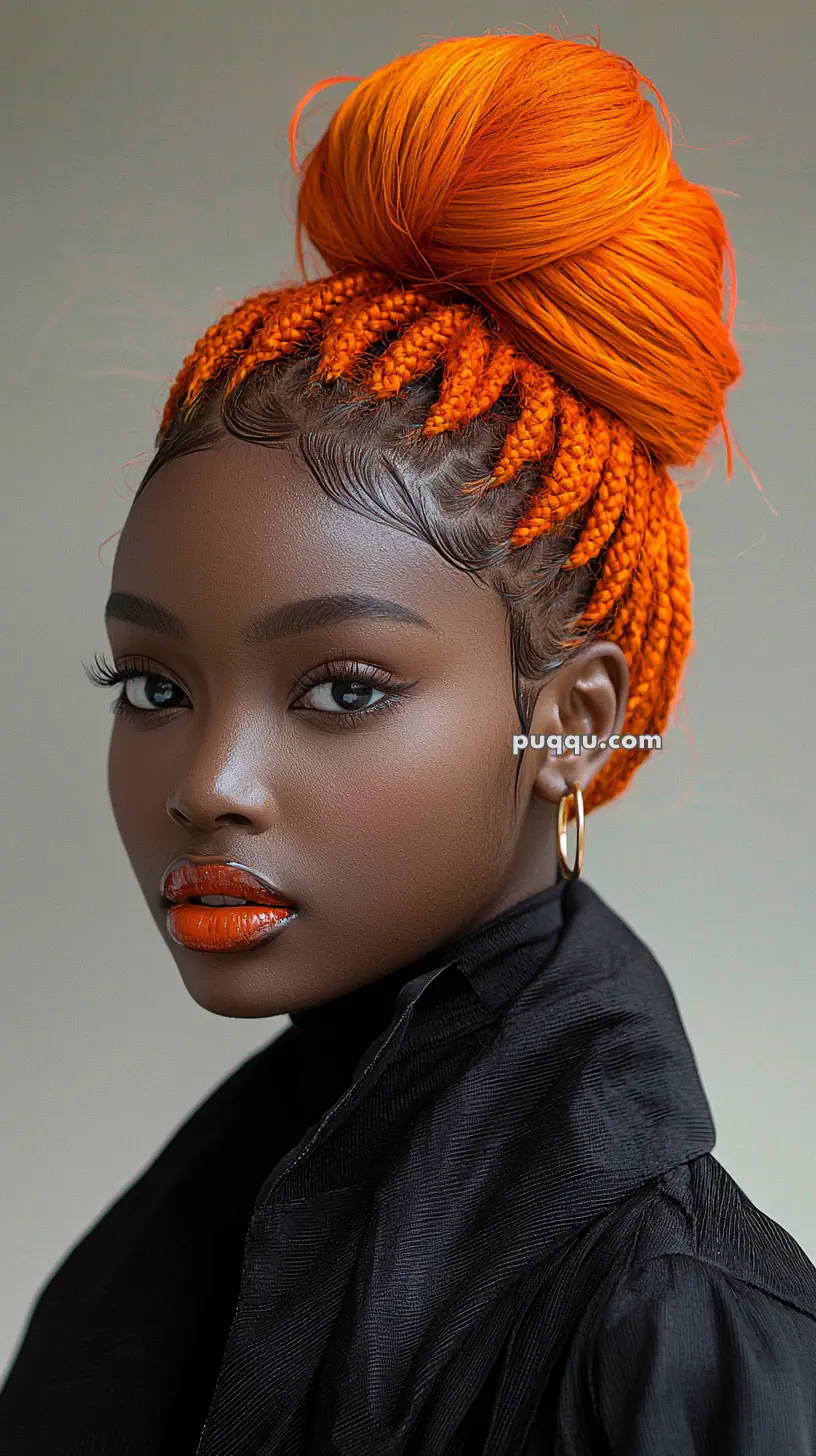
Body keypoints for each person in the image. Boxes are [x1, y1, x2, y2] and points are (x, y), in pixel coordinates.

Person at [1, 30, 814, 1456]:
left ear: (567, 724)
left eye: (344, 689)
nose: (209, 785)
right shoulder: (229, 1219)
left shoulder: (676, 1337)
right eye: (151, 686)